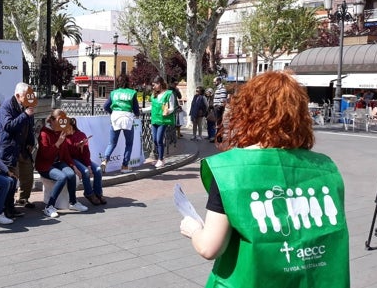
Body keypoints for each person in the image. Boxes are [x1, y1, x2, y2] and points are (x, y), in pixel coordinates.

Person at [179, 71, 349, 288]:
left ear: (249, 112)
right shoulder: (326, 168)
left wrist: (193, 229)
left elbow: (210, 248)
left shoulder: (229, 169)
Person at [36, 109, 89, 218]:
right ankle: (49, 206)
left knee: (71, 174)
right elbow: (45, 155)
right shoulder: (44, 133)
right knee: (62, 177)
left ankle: (73, 202)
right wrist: (58, 143)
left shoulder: (61, 131)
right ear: (52, 120)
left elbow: (65, 153)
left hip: (58, 162)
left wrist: (74, 166)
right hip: (45, 165)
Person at [0, 82, 37, 209]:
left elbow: (30, 127)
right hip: (10, 148)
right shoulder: (6, 107)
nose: (30, 98)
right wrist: (25, 115)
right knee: (11, 177)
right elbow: (8, 126)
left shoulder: (28, 106)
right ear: (18, 96)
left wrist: (31, 142)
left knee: (28, 175)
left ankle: (23, 199)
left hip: (23, 148)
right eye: (27, 95)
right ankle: (8, 206)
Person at [102, 74, 140, 173]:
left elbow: (105, 106)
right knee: (129, 144)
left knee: (112, 143)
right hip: (127, 118)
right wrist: (137, 114)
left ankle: (105, 160)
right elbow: (136, 109)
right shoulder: (132, 93)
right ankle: (124, 166)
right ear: (128, 82)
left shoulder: (113, 93)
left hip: (115, 117)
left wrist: (112, 112)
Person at [66, 118, 106, 205]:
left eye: (67, 128)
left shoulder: (81, 134)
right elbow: (67, 155)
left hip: (82, 159)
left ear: (72, 127)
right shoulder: (64, 137)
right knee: (85, 172)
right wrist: (77, 146)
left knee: (98, 170)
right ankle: (89, 193)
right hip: (72, 160)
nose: (65, 130)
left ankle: (98, 193)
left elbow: (86, 153)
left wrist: (88, 164)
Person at [145, 75, 176, 169]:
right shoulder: (154, 95)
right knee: (154, 140)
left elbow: (172, 108)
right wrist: (141, 110)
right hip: (154, 119)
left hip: (163, 120)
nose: (153, 87)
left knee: (159, 139)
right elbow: (152, 107)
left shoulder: (169, 94)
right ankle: (159, 157)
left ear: (160, 84)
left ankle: (161, 159)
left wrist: (168, 111)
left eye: (154, 85)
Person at [213, 77, 227, 142]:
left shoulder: (222, 88)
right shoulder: (218, 88)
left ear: (218, 81)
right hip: (216, 107)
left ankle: (219, 137)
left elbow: (223, 99)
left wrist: (219, 106)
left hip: (218, 108)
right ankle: (218, 136)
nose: (214, 83)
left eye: (215, 82)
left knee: (219, 123)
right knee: (218, 123)